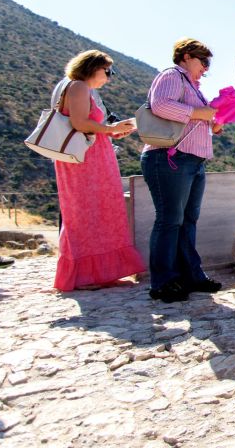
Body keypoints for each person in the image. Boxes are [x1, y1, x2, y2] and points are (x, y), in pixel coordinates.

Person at [52, 50, 145, 291]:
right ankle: (86, 275)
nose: (109, 76)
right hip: (85, 161)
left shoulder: (80, 88)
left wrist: (112, 131)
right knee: (87, 211)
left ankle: (97, 273)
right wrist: (111, 129)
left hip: (92, 157)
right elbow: (80, 123)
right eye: (107, 71)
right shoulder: (79, 87)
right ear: (92, 67)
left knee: (98, 210)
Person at [141, 38, 223, 303]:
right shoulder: (172, 75)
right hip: (169, 158)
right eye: (203, 62)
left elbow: (194, 118)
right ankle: (163, 282)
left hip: (191, 160)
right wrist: (202, 113)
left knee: (186, 220)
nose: (206, 68)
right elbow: (161, 105)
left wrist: (213, 121)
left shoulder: (193, 87)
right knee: (169, 219)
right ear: (187, 56)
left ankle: (190, 276)